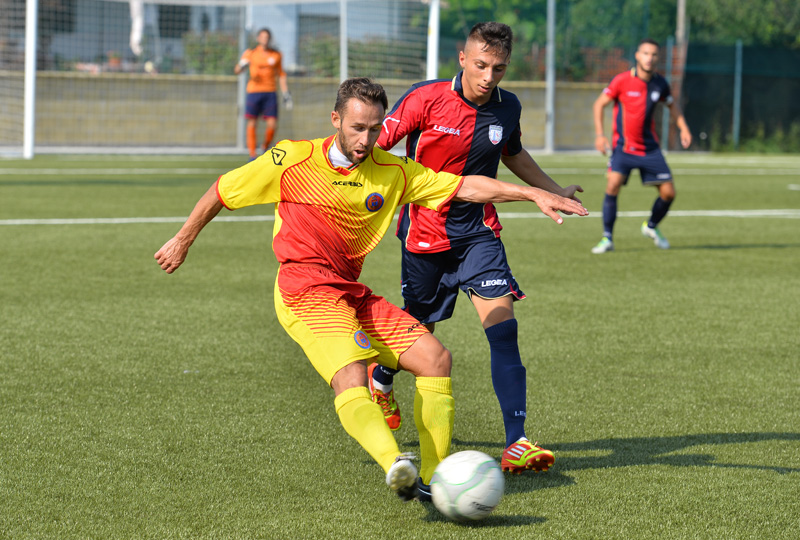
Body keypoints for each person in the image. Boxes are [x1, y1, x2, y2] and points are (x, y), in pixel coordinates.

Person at [154, 78, 587, 502]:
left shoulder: (392, 171)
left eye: (375, 128)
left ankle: (436, 481)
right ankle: (394, 462)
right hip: (304, 289)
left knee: (435, 359)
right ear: (336, 119)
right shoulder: (292, 158)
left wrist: (532, 194)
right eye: (357, 128)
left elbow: (463, 186)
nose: (366, 139)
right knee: (351, 374)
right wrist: (183, 238)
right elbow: (223, 190)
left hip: (350, 292)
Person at [369, 22, 584, 475]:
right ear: (463, 59)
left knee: (504, 331)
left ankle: (517, 442)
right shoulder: (424, 98)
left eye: (499, 68)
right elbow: (376, 148)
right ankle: (382, 377)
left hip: (479, 235)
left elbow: (513, 154)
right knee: (419, 329)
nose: (489, 76)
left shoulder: (508, 107)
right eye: (481, 65)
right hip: (425, 234)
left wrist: (553, 189)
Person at [591, 38, 692, 254]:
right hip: (624, 148)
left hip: (650, 149)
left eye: (654, 54)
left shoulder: (660, 84)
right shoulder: (622, 80)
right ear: (638, 55)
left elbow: (672, 107)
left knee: (669, 193)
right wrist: (600, 135)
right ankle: (607, 238)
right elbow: (599, 104)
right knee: (612, 185)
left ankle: (651, 226)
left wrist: (683, 128)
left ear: (658, 58)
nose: (650, 58)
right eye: (646, 53)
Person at [234, 27, 293, 161]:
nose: (265, 40)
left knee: (272, 124)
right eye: (262, 37)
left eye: (267, 37)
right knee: (252, 123)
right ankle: (252, 154)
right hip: (254, 92)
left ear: (269, 39)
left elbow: (281, 75)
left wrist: (286, 93)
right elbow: (237, 70)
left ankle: (265, 146)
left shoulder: (276, 55)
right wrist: (242, 64)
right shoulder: (250, 53)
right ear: (258, 38)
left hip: (270, 92)